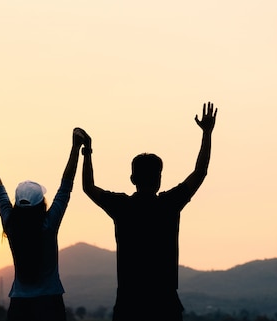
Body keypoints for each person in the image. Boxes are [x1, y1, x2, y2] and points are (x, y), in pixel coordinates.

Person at [81, 102, 218, 321]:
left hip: (129, 303)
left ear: (133, 179)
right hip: (164, 304)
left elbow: (88, 187)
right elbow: (200, 172)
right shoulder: (168, 204)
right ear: (159, 179)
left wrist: (87, 151)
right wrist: (207, 133)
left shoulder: (122, 206)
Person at [0, 128, 85, 321]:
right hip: (50, 303)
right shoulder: (49, 225)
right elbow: (66, 186)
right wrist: (75, 147)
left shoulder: (11, 225)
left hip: (20, 305)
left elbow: (0, 192)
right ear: (41, 204)